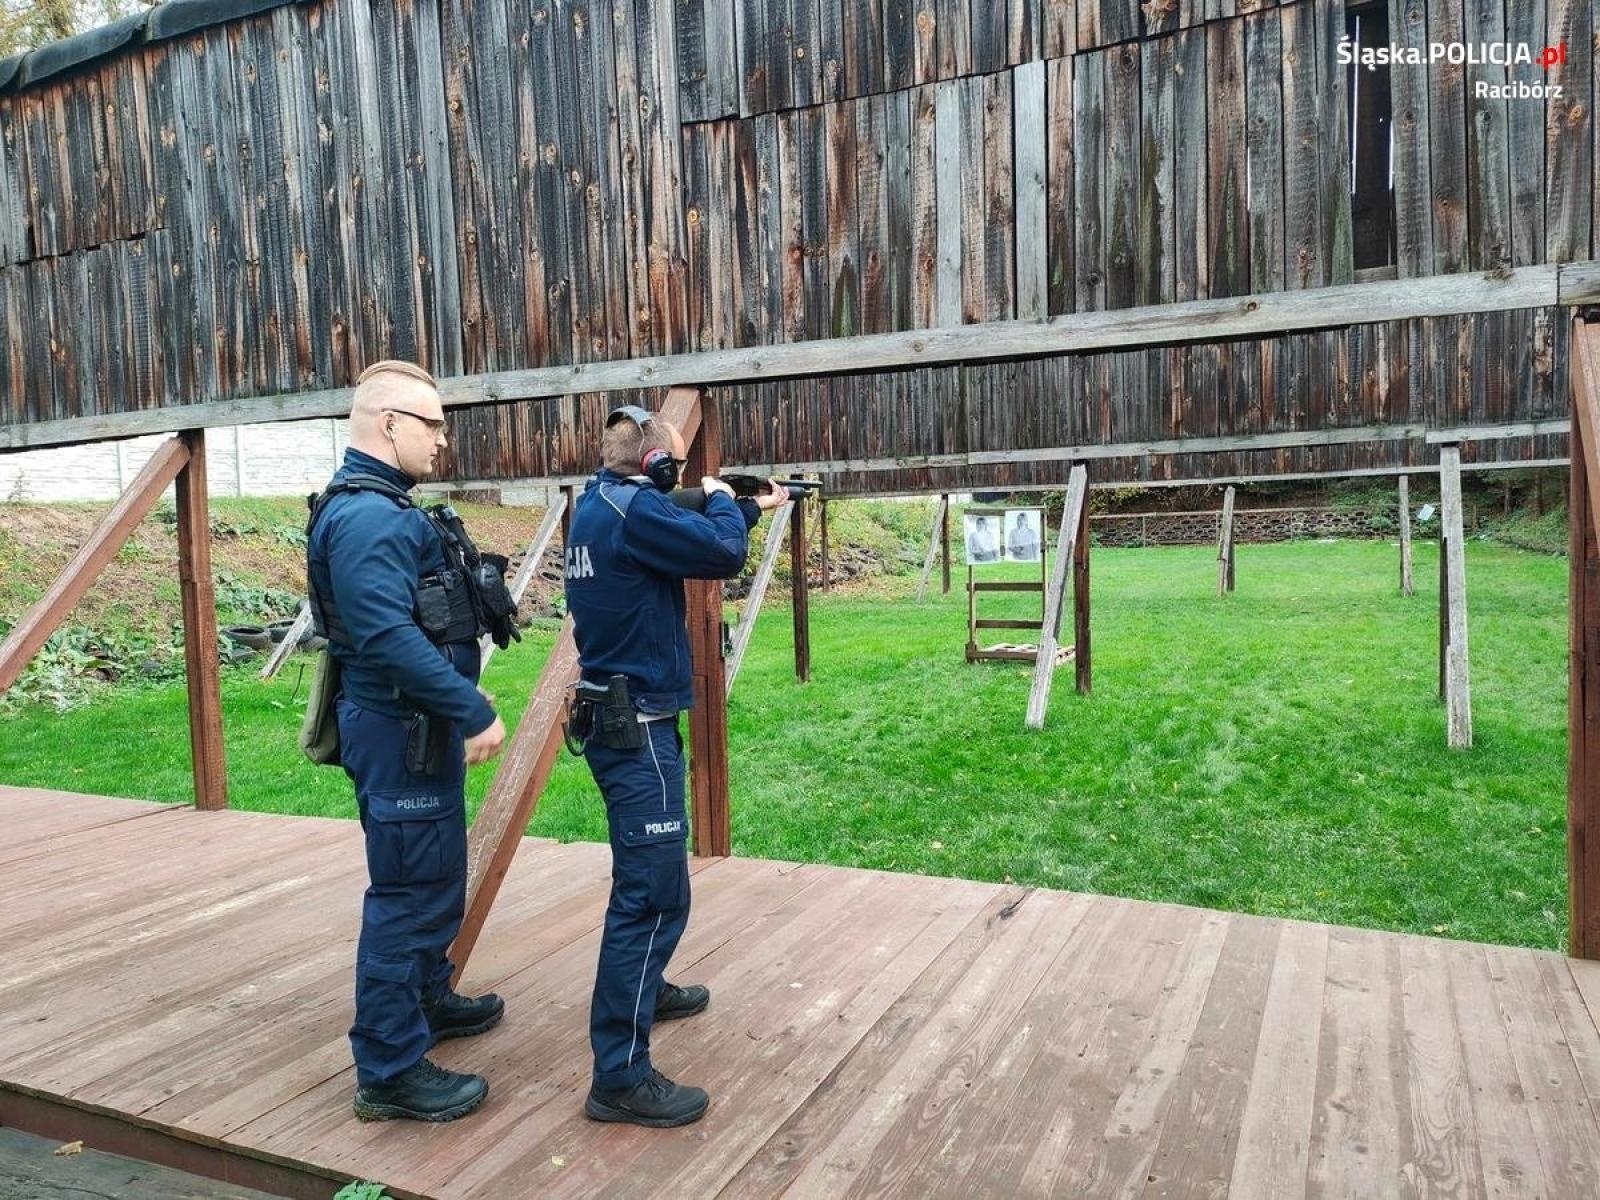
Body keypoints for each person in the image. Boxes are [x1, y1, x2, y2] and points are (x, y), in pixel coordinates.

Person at [563, 405, 785, 1128]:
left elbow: (682, 540)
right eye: (676, 464)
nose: (681, 474)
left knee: (657, 890)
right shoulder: (636, 513)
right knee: (652, 898)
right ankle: (619, 1076)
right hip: (640, 729)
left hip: (617, 719)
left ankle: (646, 991)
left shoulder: (599, 505)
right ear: (656, 462)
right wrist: (727, 502)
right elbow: (716, 554)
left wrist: (738, 510)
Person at [305, 360, 509, 1123]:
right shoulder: (367, 518)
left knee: (433, 877)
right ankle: (388, 1070)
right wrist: (469, 707)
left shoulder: (384, 508)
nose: (442, 440)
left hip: (413, 726)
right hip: (401, 730)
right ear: (389, 424)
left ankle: (426, 999)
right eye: (433, 424)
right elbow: (385, 635)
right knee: (408, 893)